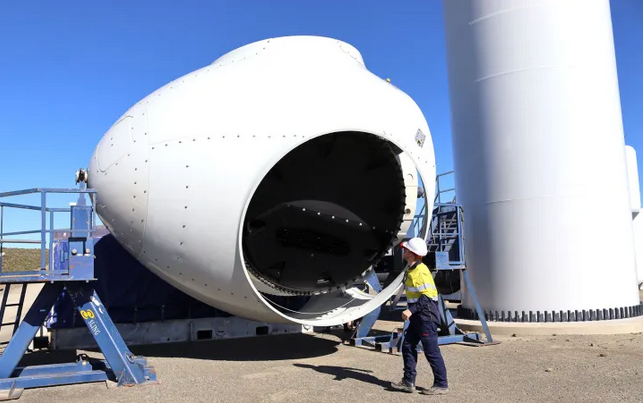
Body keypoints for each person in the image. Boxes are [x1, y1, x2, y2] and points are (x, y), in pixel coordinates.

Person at [390, 237, 449, 395]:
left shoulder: (421, 272)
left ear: (412, 254)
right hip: (418, 317)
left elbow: (428, 297)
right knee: (408, 346)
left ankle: (441, 384)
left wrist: (411, 310)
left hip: (425, 317)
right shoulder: (412, 269)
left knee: (431, 351)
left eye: (406, 249)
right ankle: (408, 382)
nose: (403, 251)